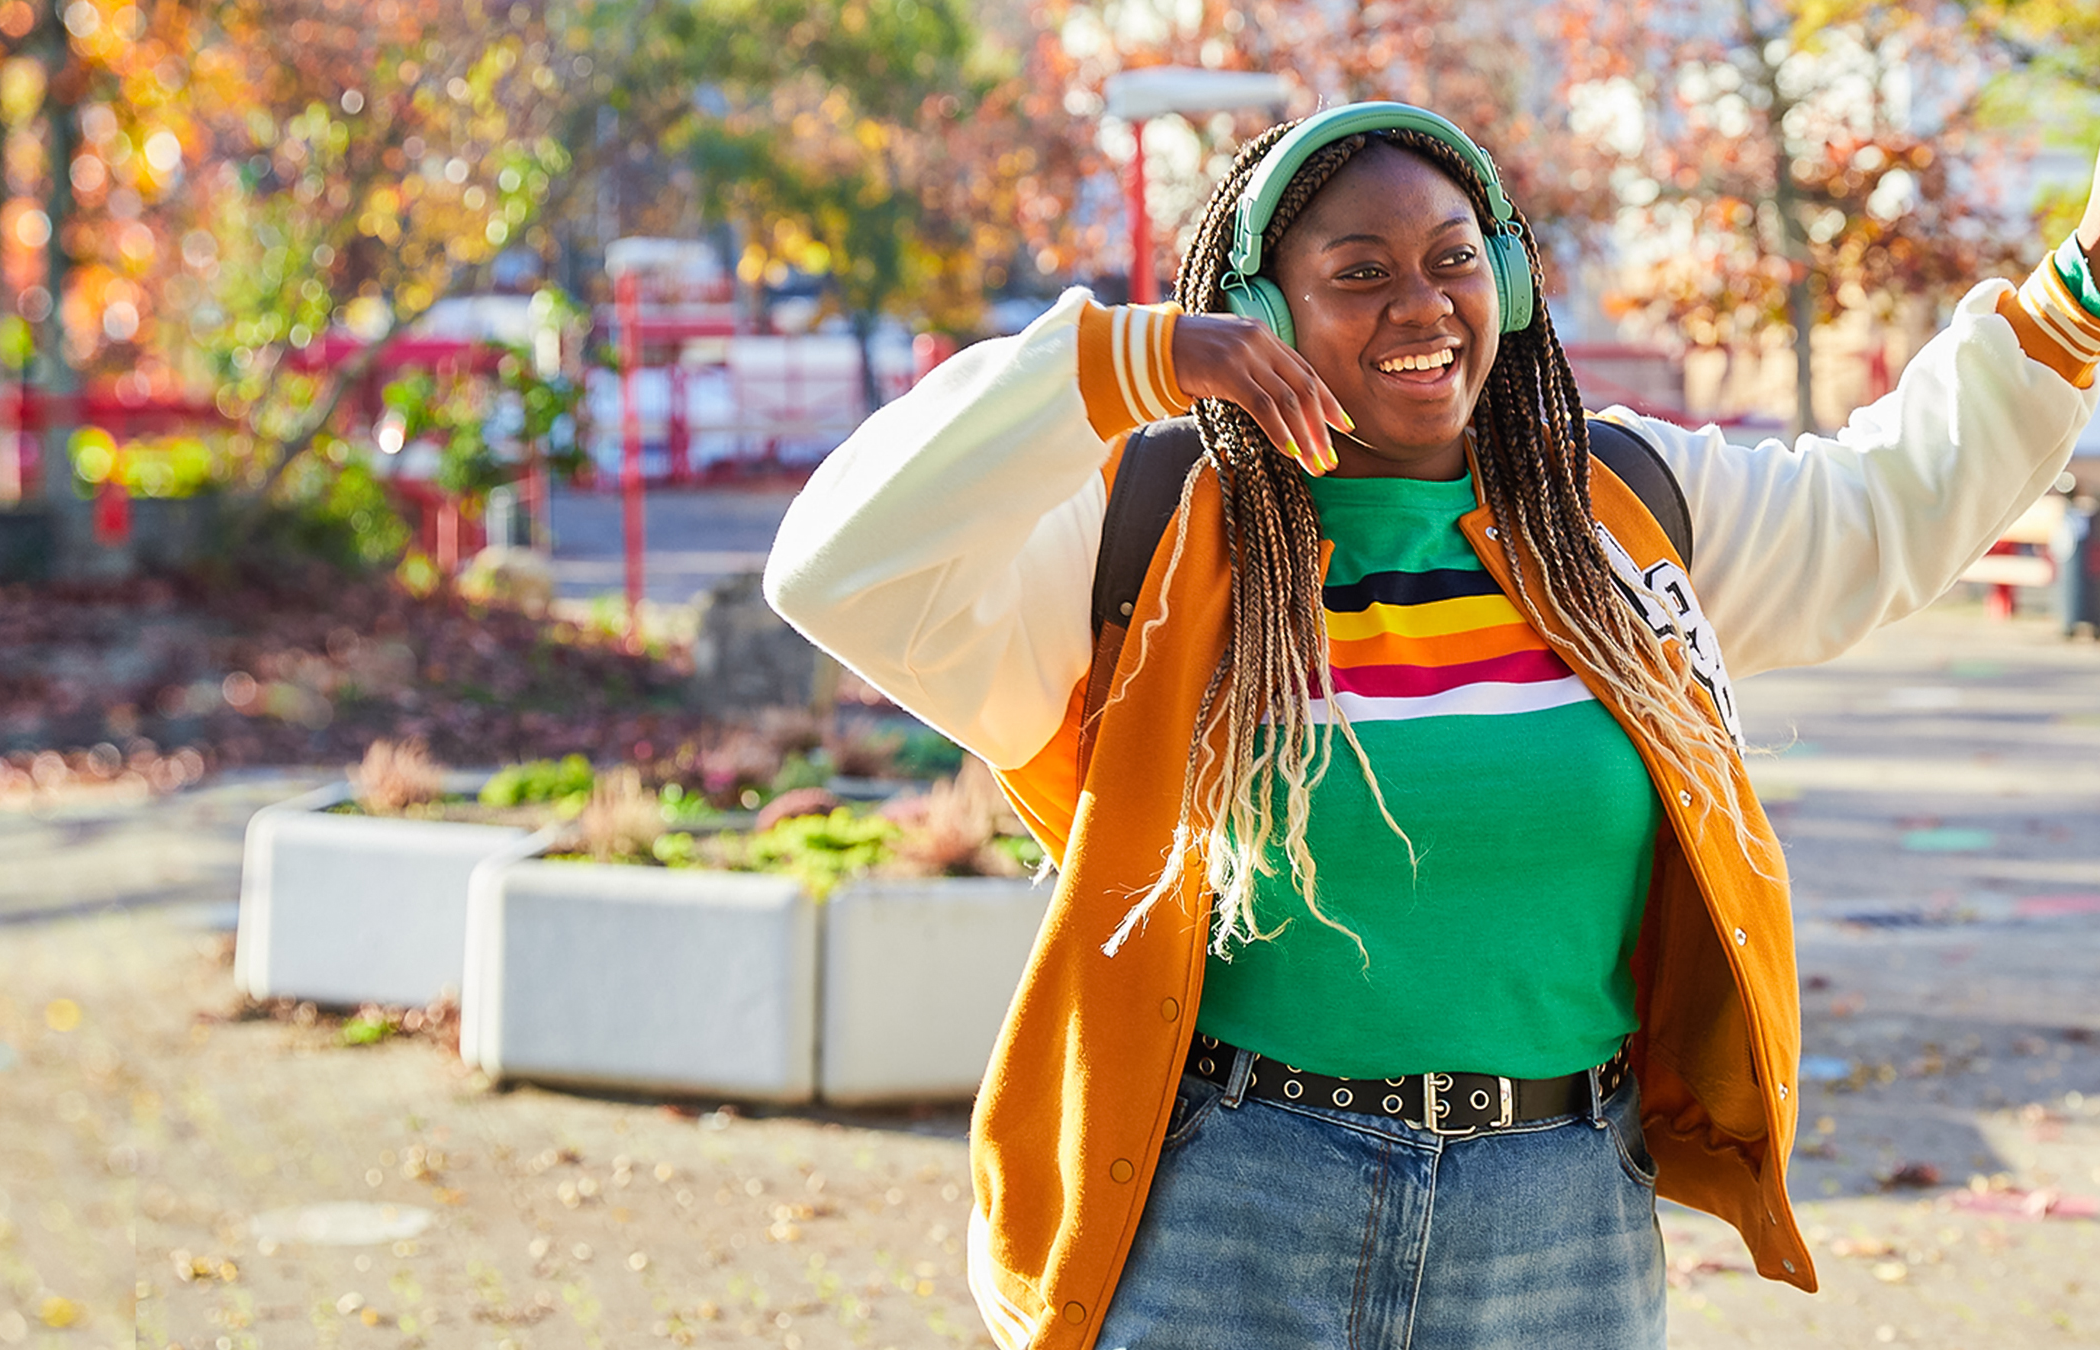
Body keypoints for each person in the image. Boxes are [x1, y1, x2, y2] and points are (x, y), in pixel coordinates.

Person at [764, 101, 2100, 1349]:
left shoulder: (1615, 510)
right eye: (1360, 272)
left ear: (1506, 278)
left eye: (1455, 259)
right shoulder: (1150, 534)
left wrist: (2081, 282)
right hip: (1229, 1211)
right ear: (1256, 310)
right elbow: (841, 566)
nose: (1423, 304)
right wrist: (1125, 362)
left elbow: (1889, 504)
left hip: (1561, 1224)